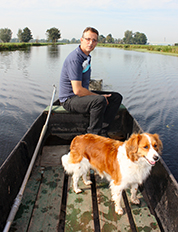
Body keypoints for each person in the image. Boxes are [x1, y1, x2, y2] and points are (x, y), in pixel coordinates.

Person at [59, 27, 123, 137]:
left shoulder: (86, 56)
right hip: (69, 99)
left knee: (116, 97)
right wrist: (100, 97)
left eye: (94, 40)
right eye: (88, 39)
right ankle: (92, 136)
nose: (91, 43)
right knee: (99, 100)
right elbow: (78, 90)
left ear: (97, 42)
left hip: (80, 96)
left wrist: (100, 96)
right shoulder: (75, 59)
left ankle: (103, 130)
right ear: (81, 40)